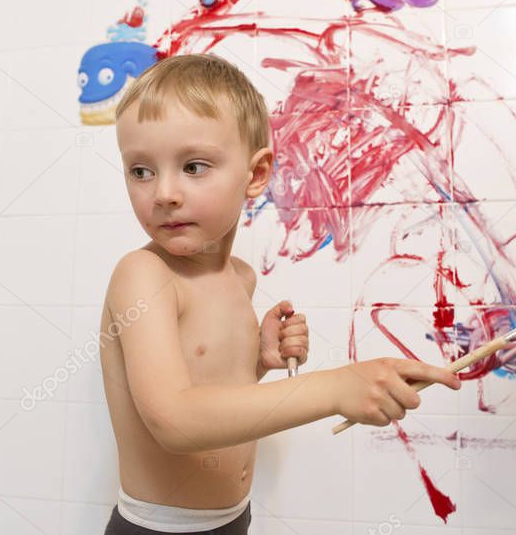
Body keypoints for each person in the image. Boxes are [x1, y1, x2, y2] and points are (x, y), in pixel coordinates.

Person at [99, 53, 462, 534]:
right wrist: (334, 387)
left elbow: (214, 392)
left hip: (234, 518)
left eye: (193, 166)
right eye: (140, 171)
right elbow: (176, 420)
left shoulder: (242, 278)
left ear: (255, 174)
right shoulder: (142, 275)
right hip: (159, 527)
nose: (163, 192)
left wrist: (257, 361)